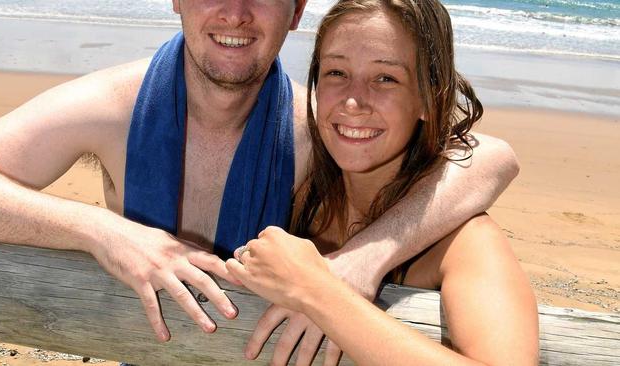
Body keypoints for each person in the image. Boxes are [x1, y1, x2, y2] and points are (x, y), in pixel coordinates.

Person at [0, 0, 519, 364]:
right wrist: (102, 232)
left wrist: (361, 260)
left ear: (296, 10)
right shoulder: (113, 105)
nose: (236, 13)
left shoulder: (321, 131)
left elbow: (489, 156)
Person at [227, 0, 538, 365]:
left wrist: (318, 291)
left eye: (386, 78)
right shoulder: (299, 192)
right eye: (336, 73)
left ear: (429, 99)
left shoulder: (467, 242)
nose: (354, 102)